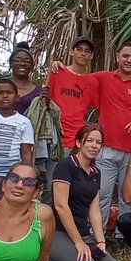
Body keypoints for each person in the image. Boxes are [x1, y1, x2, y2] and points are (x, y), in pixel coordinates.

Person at [81, 42, 131, 228]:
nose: (129, 60)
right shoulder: (103, 77)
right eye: (125, 56)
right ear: (117, 57)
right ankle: (97, 236)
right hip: (106, 149)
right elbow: (77, 79)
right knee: (101, 195)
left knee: (128, 198)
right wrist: (58, 68)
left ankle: (122, 236)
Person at [48, 124, 117, 261]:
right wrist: (78, 242)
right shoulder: (66, 165)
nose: (94, 146)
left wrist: (100, 241)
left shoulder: (96, 172)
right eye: (89, 141)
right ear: (79, 143)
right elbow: (60, 205)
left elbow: (94, 210)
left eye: (98, 142)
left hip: (83, 232)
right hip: (59, 232)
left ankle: (78, 255)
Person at [44, 35, 96, 174]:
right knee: (51, 183)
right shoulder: (57, 72)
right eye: (79, 49)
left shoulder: (93, 82)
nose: (83, 53)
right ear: (71, 52)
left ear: (91, 55)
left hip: (78, 139)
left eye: (87, 51)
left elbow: (102, 107)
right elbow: (45, 99)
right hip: (56, 136)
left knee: (74, 182)